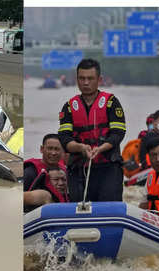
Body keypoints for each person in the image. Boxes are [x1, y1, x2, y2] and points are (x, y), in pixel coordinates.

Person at [58, 58, 126, 202]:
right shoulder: (69, 106)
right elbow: (64, 138)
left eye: (90, 78)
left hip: (108, 168)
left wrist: (100, 149)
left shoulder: (111, 103)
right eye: (82, 78)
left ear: (99, 79)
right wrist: (80, 147)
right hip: (78, 169)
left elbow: (118, 134)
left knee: (108, 209)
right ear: (77, 79)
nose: (86, 82)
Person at [24, 134, 67, 212]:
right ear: (41, 149)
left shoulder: (65, 171)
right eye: (50, 148)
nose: (53, 153)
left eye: (57, 149)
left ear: (62, 151)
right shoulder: (30, 172)